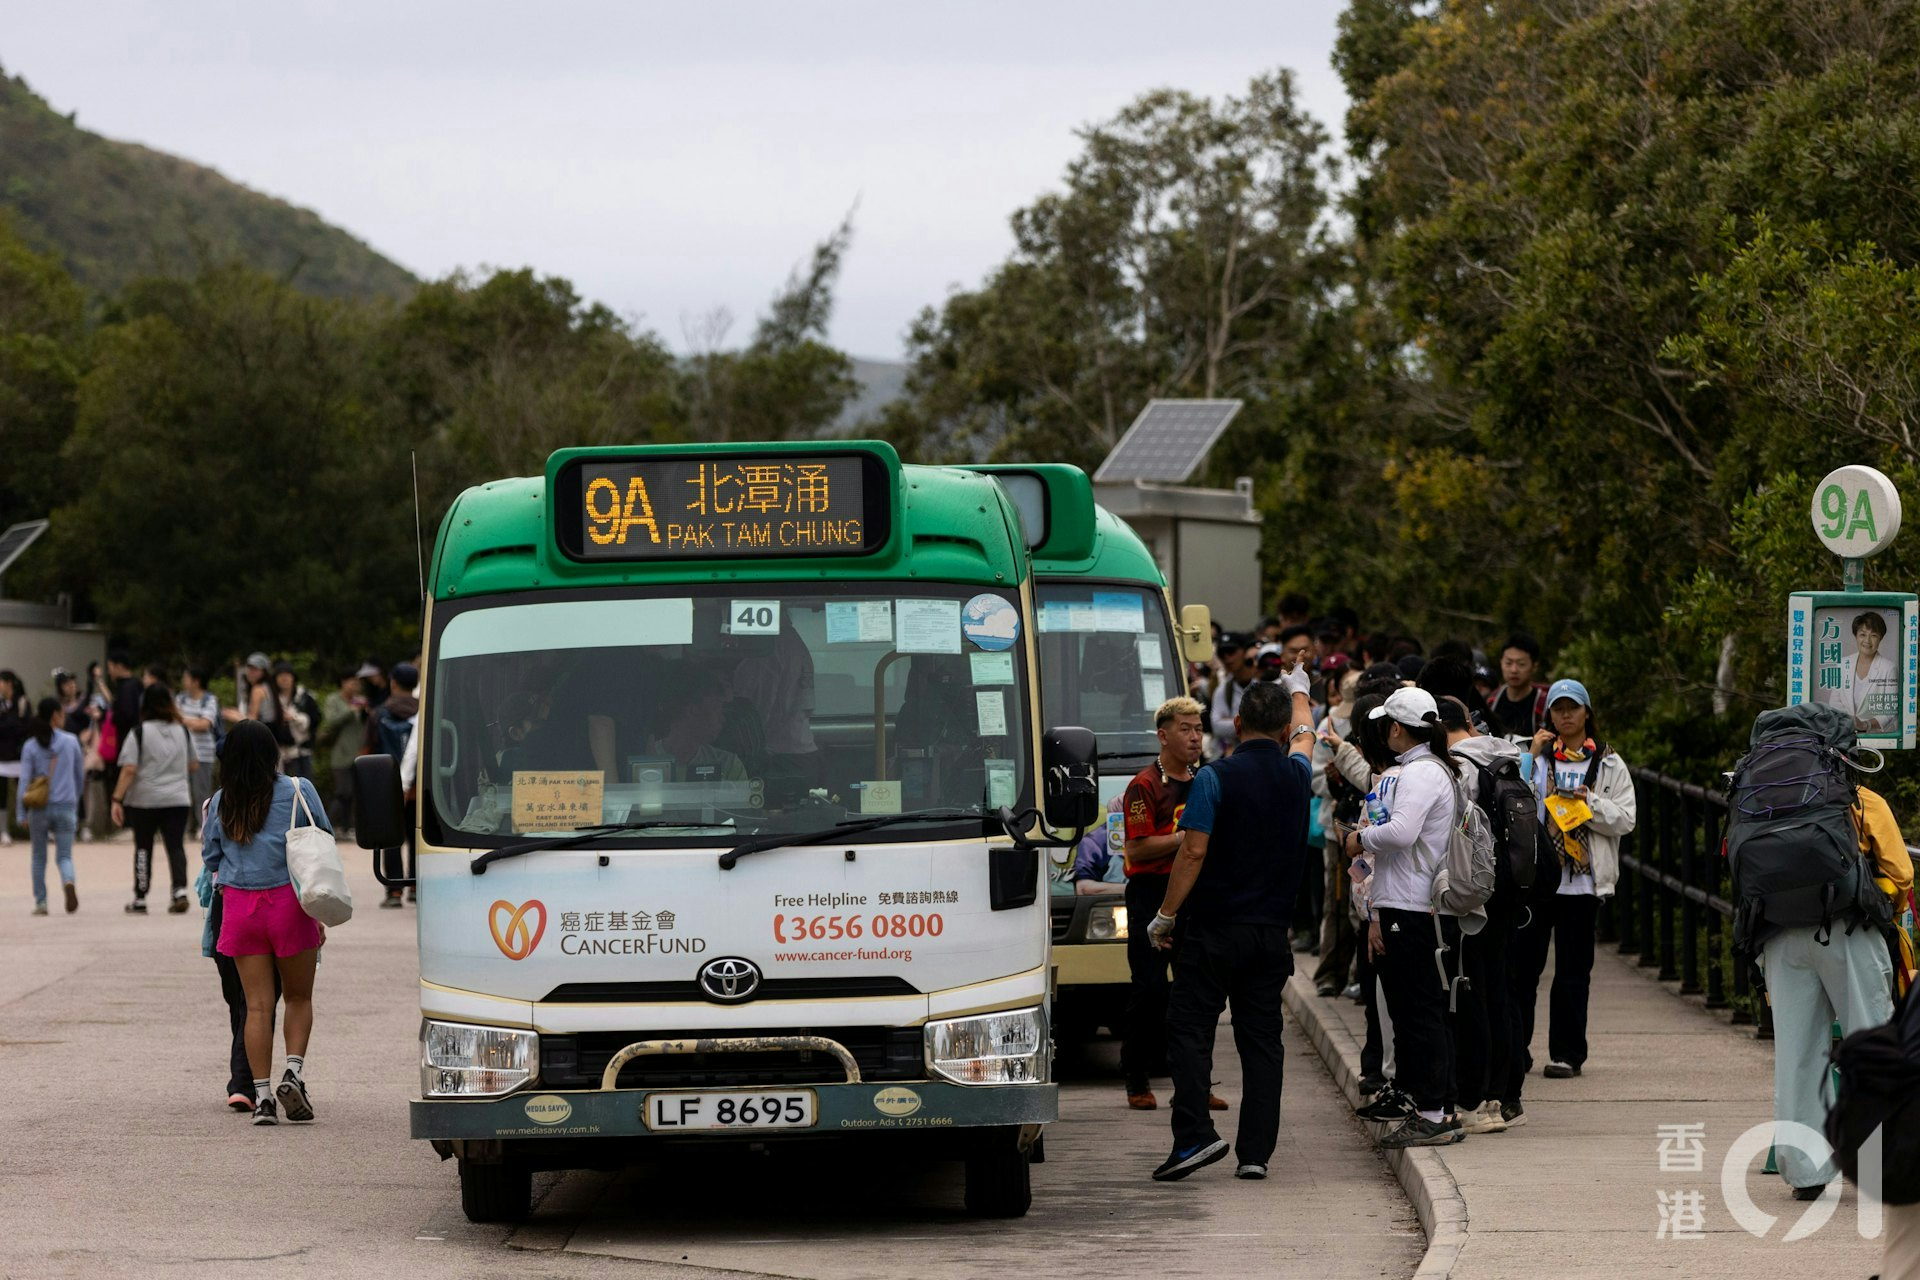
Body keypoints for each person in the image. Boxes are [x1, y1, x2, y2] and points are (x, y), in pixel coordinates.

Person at [1144, 674, 1315, 1182]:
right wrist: (1300, 687)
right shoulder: (1298, 774)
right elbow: (1307, 732)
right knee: (1262, 1041)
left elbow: (1192, 850)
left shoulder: (1212, 779)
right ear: (1283, 730)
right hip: (1269, 936)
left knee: (1190, 1029)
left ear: (1237, 723)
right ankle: (1255, 1153)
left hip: (1214, 931)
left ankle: (1194, 1135)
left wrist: (1165, 915)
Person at [1763, 745, 1908, 1199]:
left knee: (1798, 1055)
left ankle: (1805, 1173)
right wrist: (1880, 904)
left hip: (1780, 936)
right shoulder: (1861, 800)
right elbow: (1900, 874)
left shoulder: (1763, 798)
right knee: (1873, 1045)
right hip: (1849, 931)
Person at [1340, 685, 1463, 1148]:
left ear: (1396, 728)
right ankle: (1435, 1106)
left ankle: (1433, 1113)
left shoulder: (1420, 774)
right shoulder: (1426, 769)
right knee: (1420, 1010)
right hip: (1410, 903)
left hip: (1414, 907)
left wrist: (1358, 839)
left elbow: (1401, 832)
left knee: (1419, 1012)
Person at [201, 720, 330, 1126]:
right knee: (298, 997)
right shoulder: (297, 790)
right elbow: (321, 833)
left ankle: (261, 1099)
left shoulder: (222, 801)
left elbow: (210, 858)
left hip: (240, 908)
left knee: (256, 1007)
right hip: (288, 904)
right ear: (272, 752)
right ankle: (293, 1074)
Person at [1513, 678, 1636, 1081]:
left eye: (1572, 708)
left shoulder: (1610, 764)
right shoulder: (1539, 758)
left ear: (1587, 713)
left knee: (1572, 972)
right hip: (1540, 880)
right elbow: (1516, 801)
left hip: (1583, 885)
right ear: (1548, 714)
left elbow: (1626, 819)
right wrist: (1530, 758)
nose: (1565, 715)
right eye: (1558, 708)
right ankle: (1515, 1049)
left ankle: (1566, 1054)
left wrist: (1591, 804)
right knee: (1524, 969)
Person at [1118, 696, 1215, 1111]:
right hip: (1150, 897)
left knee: (1198, 993)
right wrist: (1187, 836)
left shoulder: (1205, 780)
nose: (1194, 737)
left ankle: (1196, 1084)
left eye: (1198, 729)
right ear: (1163, 735)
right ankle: (1136, 1078)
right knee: (1151, 990)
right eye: (1185, 729)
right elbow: (1137, 851)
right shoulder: (1143, 786)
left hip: (1196, 895)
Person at [1436, 695, 1521, 1134]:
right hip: (1507, 888)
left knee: (1469, 996)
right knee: (1498, 993)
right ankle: (1501, 1098)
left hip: (1472, 894)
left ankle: (1474, 1099)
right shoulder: (1506, 758)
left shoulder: (1458, 768)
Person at [112, 682, 199, 915]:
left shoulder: (139, 732)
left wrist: (117, 799)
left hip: (145, 800)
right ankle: (179, 890)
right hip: (178, 799)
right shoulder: (183, 731)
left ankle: (140, 897)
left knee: (143, 847)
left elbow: (129, 769)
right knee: (175, 846)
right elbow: (193, 764)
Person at [17, 697, 84, 914]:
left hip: (39, 807)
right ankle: (68, 881)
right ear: (56, 715)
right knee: (64, 855)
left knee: (38, 856)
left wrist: (21, 813)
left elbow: (24, 782)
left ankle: (41, 902)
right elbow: (79, 776)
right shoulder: (72, 741)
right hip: (66, 806)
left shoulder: (30, 746)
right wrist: (76, 799)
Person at [364, 662, 419, 908]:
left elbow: (369, 749)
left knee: (391, 838)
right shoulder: (426, 710)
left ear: (393, 683)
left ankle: (394, 891)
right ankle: (417, 885)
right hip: (419, 789)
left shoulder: (379, 713)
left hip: (389, 786)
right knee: (418, 836)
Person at [317, 668, 367, 833]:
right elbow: (331, 721)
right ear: (343, 682)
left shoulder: (361, 701)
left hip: (359, 754)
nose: (355, 685)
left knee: (355, 794)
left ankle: (348, 828)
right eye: (352, 681)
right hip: (340, 754)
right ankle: (325, 827)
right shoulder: (334, 700)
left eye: (357, 682)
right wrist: (350, 711)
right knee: (343, 791)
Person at [176, 667, 220, 833]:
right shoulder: (180, 699)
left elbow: (204, 724)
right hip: (182, 754)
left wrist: (182, 719)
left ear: (196, 681)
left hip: (204, 754)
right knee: (182, 793)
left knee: (201, 792)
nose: (183, 681)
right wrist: (193, 721)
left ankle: (205, 827)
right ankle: (184, 827)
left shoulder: (209, 700)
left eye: (186, 678)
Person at [1484, 632, 1548, 740]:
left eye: (1521, 664)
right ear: (1501, 663)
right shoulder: (1492, 701)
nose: (1514, 670)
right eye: (1508, 663)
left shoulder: (1543, 704)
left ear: (1534, 666)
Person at [1208, 635, 1257, 757]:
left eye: (1231, 652)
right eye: (1222, 654)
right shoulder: (1223, 690)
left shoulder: (1263, 684)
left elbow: (1270, 723)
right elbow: (1217, 727)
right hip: (1234, 756)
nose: (1227, 658)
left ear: (1245, 652)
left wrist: (1232, 720)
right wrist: (1253, 722)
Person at [0, 670, 29, 846]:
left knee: (25, 793)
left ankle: (33, 827)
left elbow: (24, 727)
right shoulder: (1, 703)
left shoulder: (23, 702)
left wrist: (7, 724)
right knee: (1, 794)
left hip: (19, 756)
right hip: (2, 756)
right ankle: (3, 830)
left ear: (9, 683)